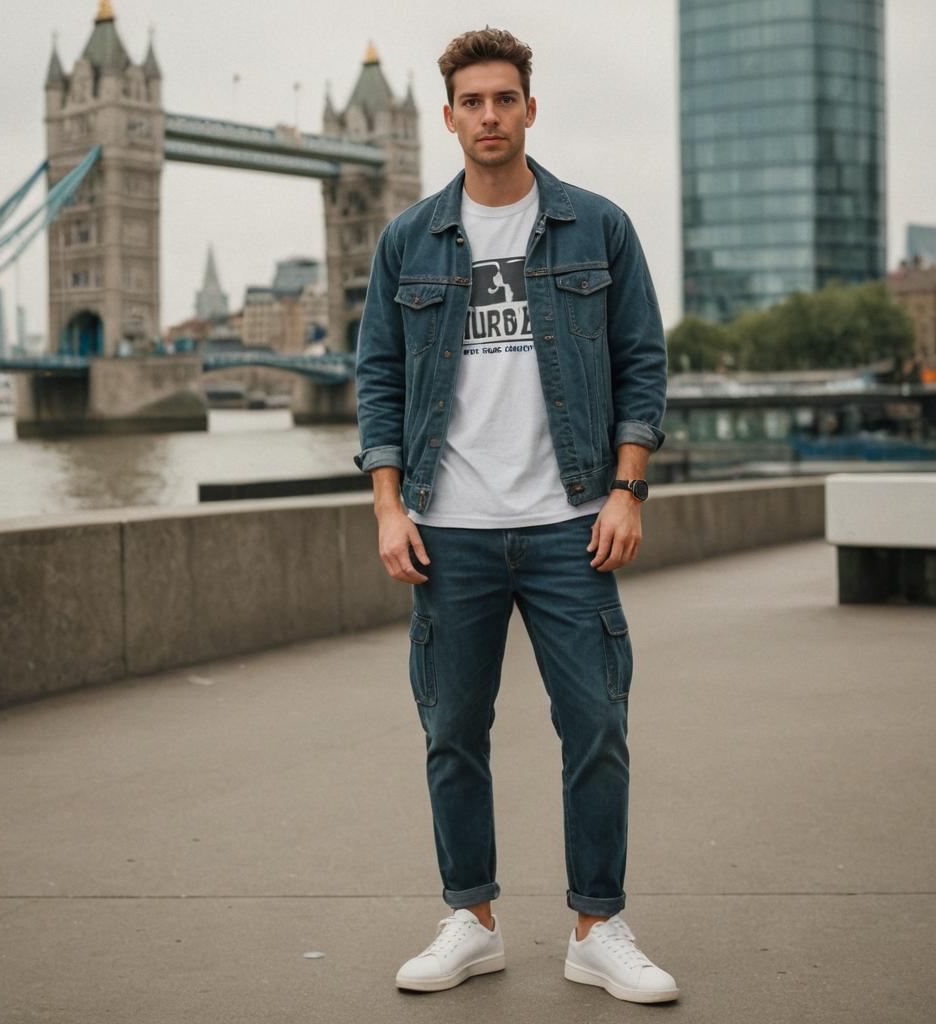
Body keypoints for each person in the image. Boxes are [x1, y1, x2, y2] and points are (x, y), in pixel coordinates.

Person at [352, 27, 678, 1004]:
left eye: (505, 99)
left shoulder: (598, 227)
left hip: (568, 521)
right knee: (452, 727)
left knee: (596, 724)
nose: (489, 116)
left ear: (529, 109)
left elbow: (641, 364)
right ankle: (472, 918)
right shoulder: (407, 240)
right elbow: (375, 378)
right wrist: (386, 506)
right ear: (447, 115)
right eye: (471, 102)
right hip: (446, 529)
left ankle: (597, 925)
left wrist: (626, 487)